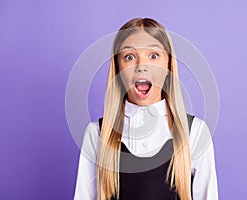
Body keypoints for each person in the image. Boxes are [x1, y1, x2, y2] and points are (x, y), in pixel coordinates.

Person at [74, 18, 218, 200]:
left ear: (168, 66)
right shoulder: (96, 134)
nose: (141, 67)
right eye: (129, 57)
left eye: (154, 56)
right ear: (118, 69)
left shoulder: (195, 133)